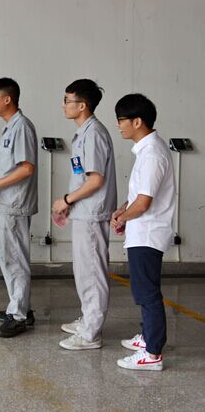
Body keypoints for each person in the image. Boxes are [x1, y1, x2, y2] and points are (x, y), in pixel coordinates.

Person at [52, 79, 117, 350]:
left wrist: (67, 199)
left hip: (92, 213)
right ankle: (88, 319)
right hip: (83, 211)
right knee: (84, 271)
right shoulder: (84, 133)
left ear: (82, 105)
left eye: (67, 100)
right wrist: (70, 203)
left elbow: (95, 180)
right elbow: (84, 177)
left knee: (91, 272)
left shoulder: (94, 134)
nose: (63, 105)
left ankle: (91, 333)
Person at [111, 94, 175, 371]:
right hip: (142, 232)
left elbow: (144, 202)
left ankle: (152, 353)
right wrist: (123, 210)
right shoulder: (147, 151)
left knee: (147, 292)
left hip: (148, 234)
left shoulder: (152, 154)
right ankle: (148, 336)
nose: (118, 125)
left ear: (137, 121)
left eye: (121, 120)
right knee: (143, 289)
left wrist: (122, 217)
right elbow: (138, 195)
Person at [0, 78, 38, 338]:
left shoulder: (21, 126)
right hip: (5, 202)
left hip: (14, 204)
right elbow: (11, 165)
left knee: (15, 260)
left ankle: (19, 315)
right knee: (9, 257)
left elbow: (26, 168)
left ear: (7, 99)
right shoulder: (10, 127)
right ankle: (19, 306)